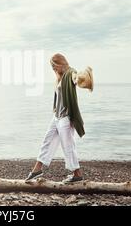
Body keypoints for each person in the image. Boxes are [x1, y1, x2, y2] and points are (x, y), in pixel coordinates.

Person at [25, 53, 87, 183]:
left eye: (54, 66)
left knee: (68, 146)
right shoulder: (59, 78)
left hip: (66, 117)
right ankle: (37, 169)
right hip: (57, 117)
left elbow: (75, 78)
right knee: (47, 141)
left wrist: (79, 79)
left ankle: (77, 174)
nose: (53, 69)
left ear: (60, 63)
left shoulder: (70, 73)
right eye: (52, 67)